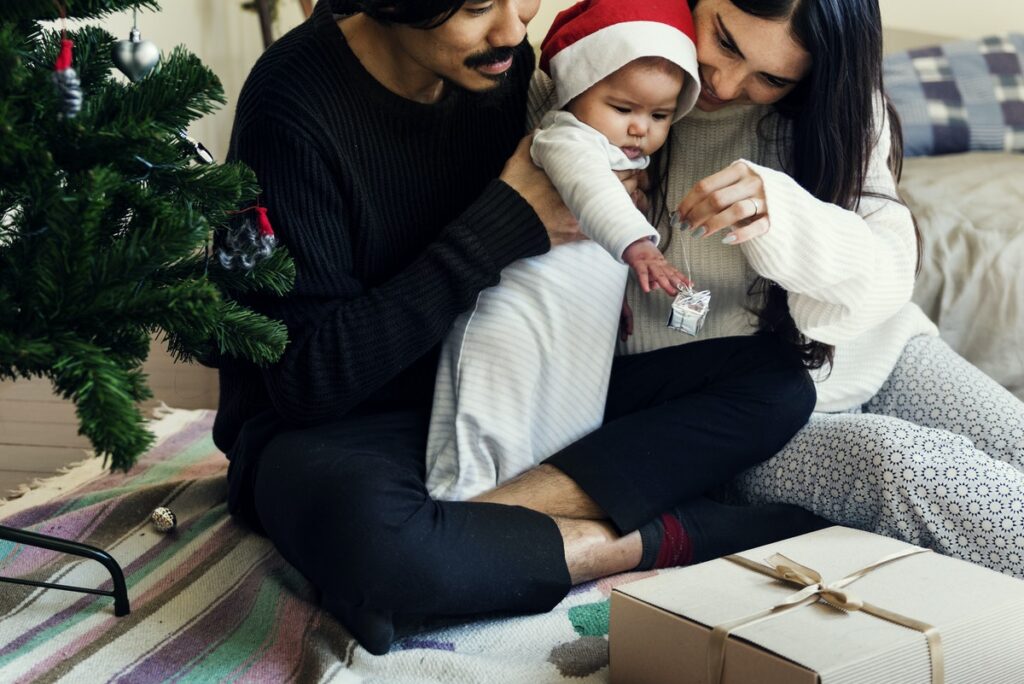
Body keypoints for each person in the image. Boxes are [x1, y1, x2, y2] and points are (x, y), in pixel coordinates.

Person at [216, 0, 827, 656]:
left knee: (775, 384)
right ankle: (645, 538)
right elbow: (306, 380)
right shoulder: (291, 106)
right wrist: (505, 223)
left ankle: (463, 534)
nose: (513, 31)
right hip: (347, 424)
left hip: (512, 387)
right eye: (480, 6)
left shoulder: (498, 68)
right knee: (380, 548)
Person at [565, 0, 1024, 576]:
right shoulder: (607, 83)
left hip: (879, 353)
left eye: (773, 77)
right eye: (725, 41)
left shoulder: (842, 112)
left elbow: (886, 272)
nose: (726, 84)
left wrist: (783, 214)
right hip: (738, 424)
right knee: (911, 465)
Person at [426, 0, 703, 501]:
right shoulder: (565, 136)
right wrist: (640, 247)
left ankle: (519, 505)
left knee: (567, 422)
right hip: (516, 314)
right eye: (623, 109)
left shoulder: (625, 156)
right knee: (489, 410)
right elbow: (589, 191)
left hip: (577, 327)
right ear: (578, 90)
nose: (641, 127)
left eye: (660, 114)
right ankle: (456, 498)